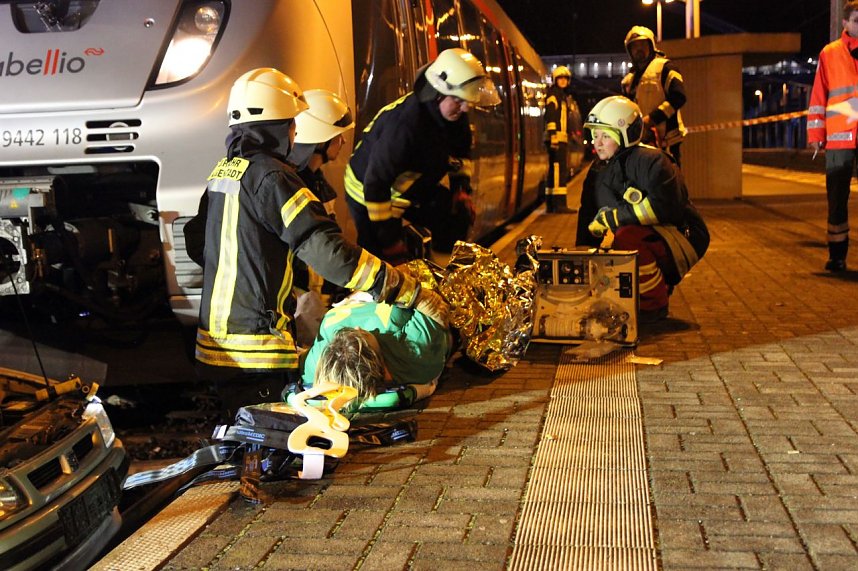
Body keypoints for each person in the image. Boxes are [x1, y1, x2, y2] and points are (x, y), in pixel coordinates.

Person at [190, 68, 446, 419]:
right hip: (256, 349)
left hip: (215, 345)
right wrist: (398, 286)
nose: (296, 132)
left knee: (238, 430)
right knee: (268, 444)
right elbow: (328, 252)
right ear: (278, 126)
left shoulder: (225, 171)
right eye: (292, 123)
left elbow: (196, 241)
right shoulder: (274, 177)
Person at [344, 48, 500, 264]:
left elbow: (461, 157)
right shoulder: (405, 126)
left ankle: (445, 276)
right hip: (367, 192)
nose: (465, 108)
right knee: (379, 261)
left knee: (456, 215)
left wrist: (461, 190)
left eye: (468, 101)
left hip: (409, 188)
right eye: (458, 100)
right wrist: (390, 241)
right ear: (438, 93)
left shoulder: (454, 115)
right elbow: (375, 184)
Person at [583, 96, 709, 322]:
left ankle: (653, 305)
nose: (597, 143)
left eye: (605, 136)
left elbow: (665, 208)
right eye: (595, 135)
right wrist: (584, 258)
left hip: (686, 236)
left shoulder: (653, 161)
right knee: (612, 244)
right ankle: (644, 290)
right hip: (655, 235)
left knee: (627, 237)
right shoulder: (598, 171)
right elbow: (588, 216)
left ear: (626, 135)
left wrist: (614, 217)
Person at [299, 295, 451, 411]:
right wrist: (392, 285)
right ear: (379, 362)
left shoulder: (314, 364)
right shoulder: (413, 350)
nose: (358, 327)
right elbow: (434, 304)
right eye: (363, 336)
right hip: (401, 282)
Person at [288, 88, 355, 307]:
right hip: (299, 300)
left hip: (314, 295)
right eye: (337, 137)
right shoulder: (296, 186)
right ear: (320, 142)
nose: (343, 142)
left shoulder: (316, 180)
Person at [807, 0, 858, 273]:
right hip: (839, 138)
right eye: (857, 20)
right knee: (837, 200)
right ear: (845, 23)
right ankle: (837, 255)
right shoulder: (830, 53)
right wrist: (816, 133)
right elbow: (818, 97)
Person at [621, 26, 687, 165]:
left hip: (668, 142)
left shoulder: (666, 67)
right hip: (640, 143)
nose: (638, 49)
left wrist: (652, 119)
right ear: (629, 51)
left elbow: (679, 97)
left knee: (669, 182)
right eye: (634, 46)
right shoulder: (629, 80)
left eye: (642, 45)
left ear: (651, 46)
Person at [543, 65, 576, 213]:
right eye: (560, 78)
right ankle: (559, 205)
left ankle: (551, 204)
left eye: (565, 78)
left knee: (555, 171)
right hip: (556, 139)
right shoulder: (554, 95)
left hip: (559, 138)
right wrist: (553, 136)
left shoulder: (561, 96)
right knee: (558, 171)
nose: (563, 81)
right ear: (555, 80)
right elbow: (551, 116)